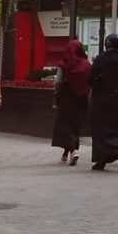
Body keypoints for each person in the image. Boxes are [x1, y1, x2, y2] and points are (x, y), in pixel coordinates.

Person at [88, 34, 118, 171]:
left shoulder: (100, 59)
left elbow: (90, 79)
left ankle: (101, 159)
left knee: (100, 130)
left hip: (101, 101)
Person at [51, 38, 90, 166]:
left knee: (65, 124)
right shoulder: (86, 64)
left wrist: (56, 94)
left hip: (66, 97)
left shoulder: (64, 64)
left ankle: (73, 151)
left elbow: (57, 82)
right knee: (75, 124)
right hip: (81, 98)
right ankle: (67, 152)